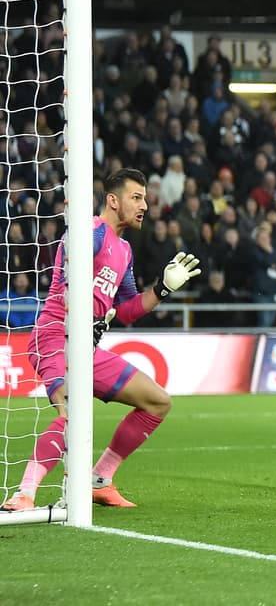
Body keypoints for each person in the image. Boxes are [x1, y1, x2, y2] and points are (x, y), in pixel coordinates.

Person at [2, 169, 202, 512]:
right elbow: (68, 281)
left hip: (87, 344)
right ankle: (25, 492)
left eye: (144, 198)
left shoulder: (123, 250)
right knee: (71, 413)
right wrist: (84, 319)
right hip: (55, 336)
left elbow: (125, 311)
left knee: (157, 402)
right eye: (136, 198)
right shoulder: (90, 234)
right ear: (113, 200)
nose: (144, 206)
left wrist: (163, 288)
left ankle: (100, 479)